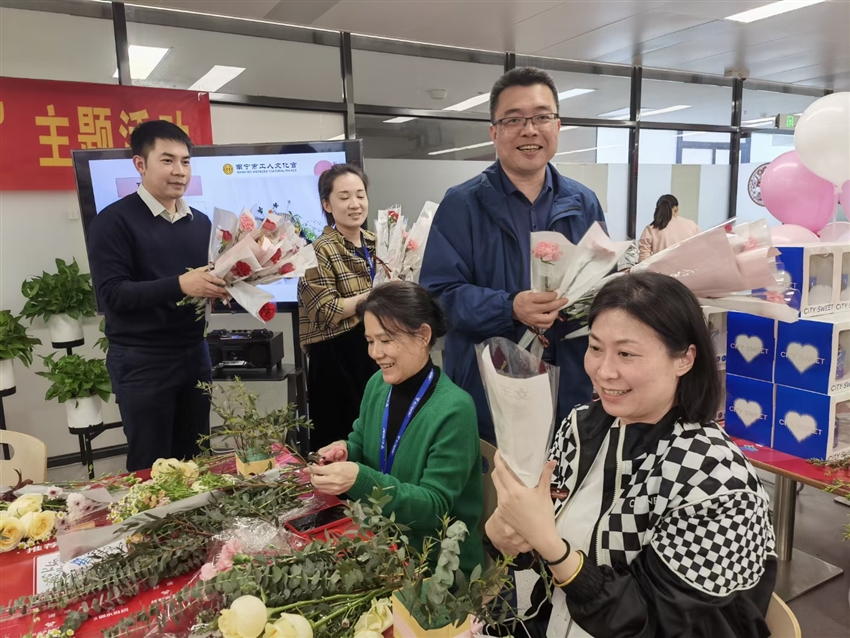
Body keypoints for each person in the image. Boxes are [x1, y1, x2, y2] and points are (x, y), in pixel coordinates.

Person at [485, 272, 776, 638]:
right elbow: (542, 548)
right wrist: (507, 537)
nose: (604, 371)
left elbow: (652, 623)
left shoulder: (715, 477)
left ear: (684, 359)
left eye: (626, 353)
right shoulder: (581, 427)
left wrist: (552, 547)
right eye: (595, 348)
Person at [420, 67, 607, 445]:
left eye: (542, 117)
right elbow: (438, 297)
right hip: (488, 391)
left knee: (562, 475)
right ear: (494, 132)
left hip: (569, 385)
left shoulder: (583, 202)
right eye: (514, 120)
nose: (529, 130)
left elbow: (600, 282)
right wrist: (510, 307)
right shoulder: (462, 205)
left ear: (558, 125)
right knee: (495, 479)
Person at [307, 281, 485, 575]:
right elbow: (361, 442)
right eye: (369, 341)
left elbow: (434, 509)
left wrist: (359, 479)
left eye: (386, 340)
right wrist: (345, 451)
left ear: (423, 335)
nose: (375, 353)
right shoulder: (378, 385)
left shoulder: (455, 409)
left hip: (436, 564)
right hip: (380, 542)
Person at [87, 120, 227, 472]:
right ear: (140, 164)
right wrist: (181, 284)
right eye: (167, 160)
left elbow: (200, 284)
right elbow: (112, 294)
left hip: (195, 352)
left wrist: (224, 287)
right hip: (142, 359)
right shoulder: (113, 221)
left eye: (185, 161)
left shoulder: (201, 223)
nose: (180, 171)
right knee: (151, 464)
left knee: (196, 458)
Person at [298, 163, 379, 451]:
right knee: (339, 439)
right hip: (336, 357)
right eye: (344, 197)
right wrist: (376, 295)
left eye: (360, 195)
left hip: (376, 349)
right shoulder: (316, 251)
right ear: (327, 205)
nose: (355, 204)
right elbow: (326, 310)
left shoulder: (377, 243)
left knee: (376, 433)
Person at [637, 194, 700, 262]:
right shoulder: (691, 225)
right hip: (688, 267)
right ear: (675, 209)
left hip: (660, 268)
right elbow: (701, 249)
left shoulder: (651, 229)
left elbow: (643, 259)